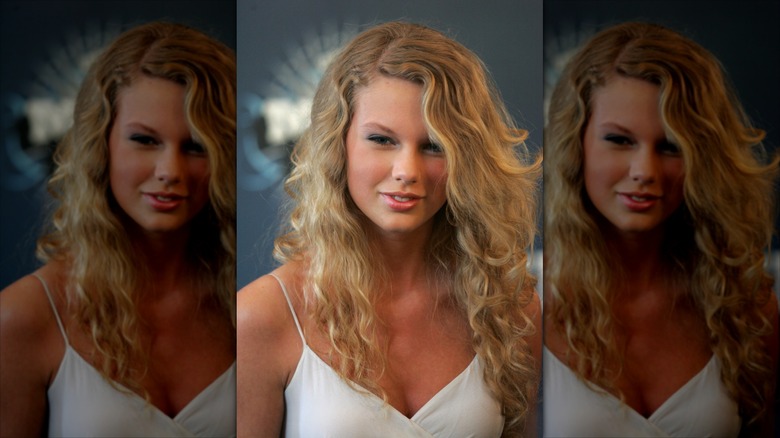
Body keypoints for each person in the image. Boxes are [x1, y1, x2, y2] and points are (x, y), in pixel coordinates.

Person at [238, 21, 541, 437]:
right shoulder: (263, 316)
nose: (407, 172)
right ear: (337, 144)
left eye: (434, 146)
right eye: (382, 140)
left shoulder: (510, 309)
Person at [0, 22, 236, 437]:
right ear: (100, 145)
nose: (170, 172)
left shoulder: (246, 304)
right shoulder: (25, 316)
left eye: (196, 146)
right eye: (145, 140)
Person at [543, 22, 779, 437]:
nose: (645, 172)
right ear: (575, 144)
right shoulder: (527, 307)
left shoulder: (745, 308)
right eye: (619, 140)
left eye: (671, 147)